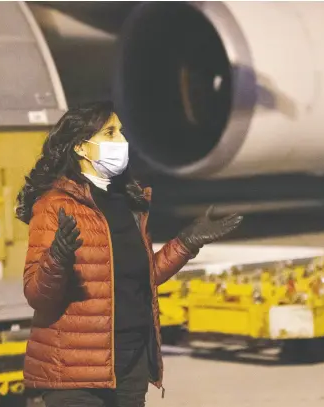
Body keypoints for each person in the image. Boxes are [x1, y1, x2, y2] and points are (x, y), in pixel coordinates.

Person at [15, 101, 243, 407]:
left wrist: (187, 242)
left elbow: (140, 277)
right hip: (75, 372)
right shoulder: (55, 205)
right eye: (110, 132)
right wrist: (57, 258)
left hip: (130, 364)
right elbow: (36, 294)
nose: (121, 140)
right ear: (82, 148)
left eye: (120, 131)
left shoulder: (128, 202)